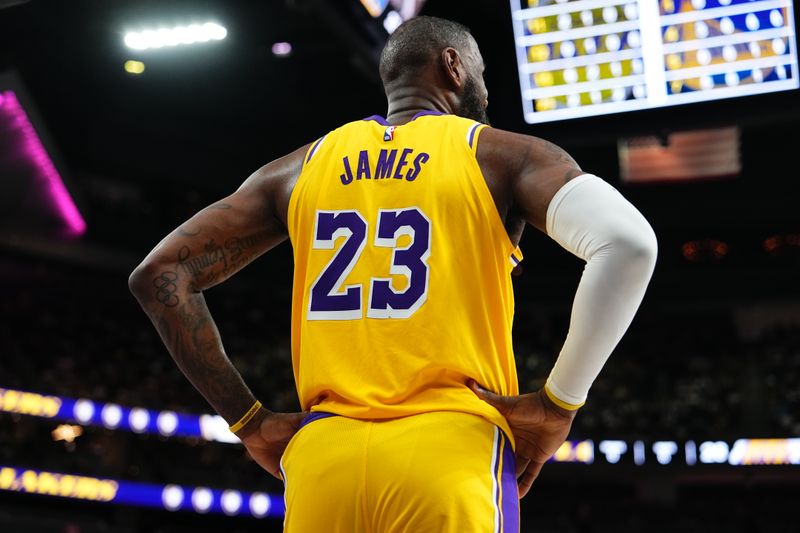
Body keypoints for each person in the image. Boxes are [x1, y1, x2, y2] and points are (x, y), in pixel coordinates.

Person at [128, 16, 657, 533]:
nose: (487, 92)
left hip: (323, 462)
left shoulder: (298, 168)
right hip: (451, 449)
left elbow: (159, 273)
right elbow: (629, 245)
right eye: (482, 74)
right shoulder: (501, 155)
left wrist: (249, 422)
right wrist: (558, 403)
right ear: (453, 66)